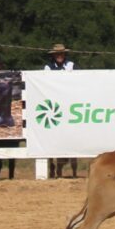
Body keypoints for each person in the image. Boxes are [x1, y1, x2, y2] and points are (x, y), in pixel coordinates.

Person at [43, 45, 79, 177]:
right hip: (54, 105)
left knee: (72, 135)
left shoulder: (71, 66)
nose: (59, 56)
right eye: (57, 54)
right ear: (53, 55)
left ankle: (74, 169)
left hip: (70, 104)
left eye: (61, 54)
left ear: (64, 55)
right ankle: (53, 167)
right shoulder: (48, 68)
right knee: (52, 137)